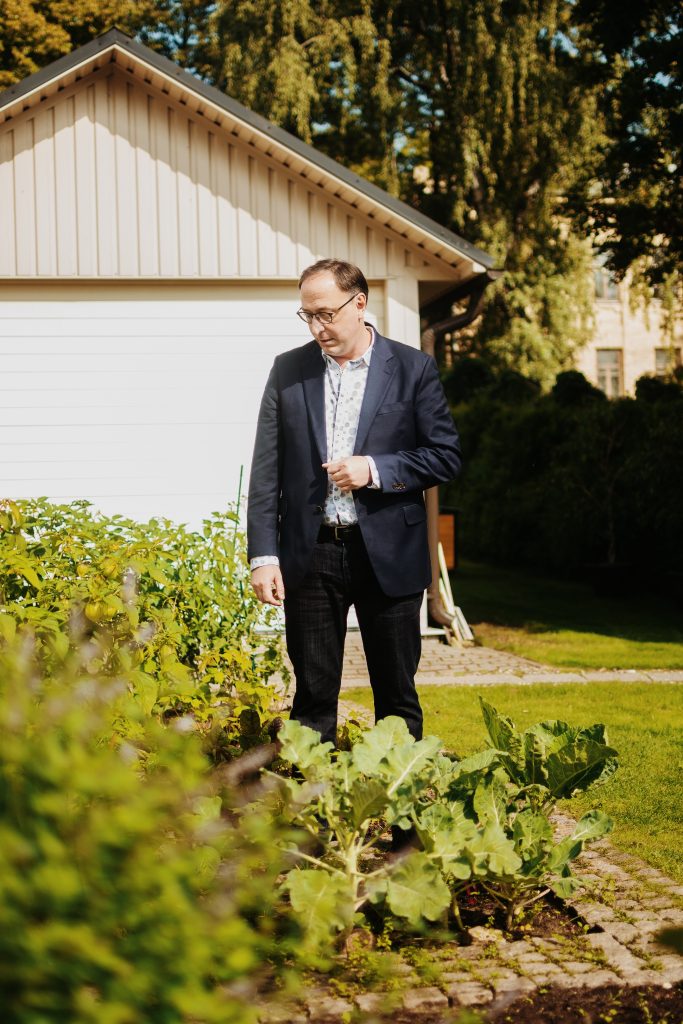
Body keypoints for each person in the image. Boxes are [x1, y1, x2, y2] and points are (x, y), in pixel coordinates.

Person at [247, 258, 461, 745]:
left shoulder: (411, 368)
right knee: (313, 702)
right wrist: (263, 556)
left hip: (388, 553)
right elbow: (266, 470)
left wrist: (376, 470)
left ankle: (401, 819)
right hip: (311, 556)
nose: (318, 326)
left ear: (359, 303)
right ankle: (316, 819)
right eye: (308, 315)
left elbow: (445, 457)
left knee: (397, 704)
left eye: (325, 313)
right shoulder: (288, 370)